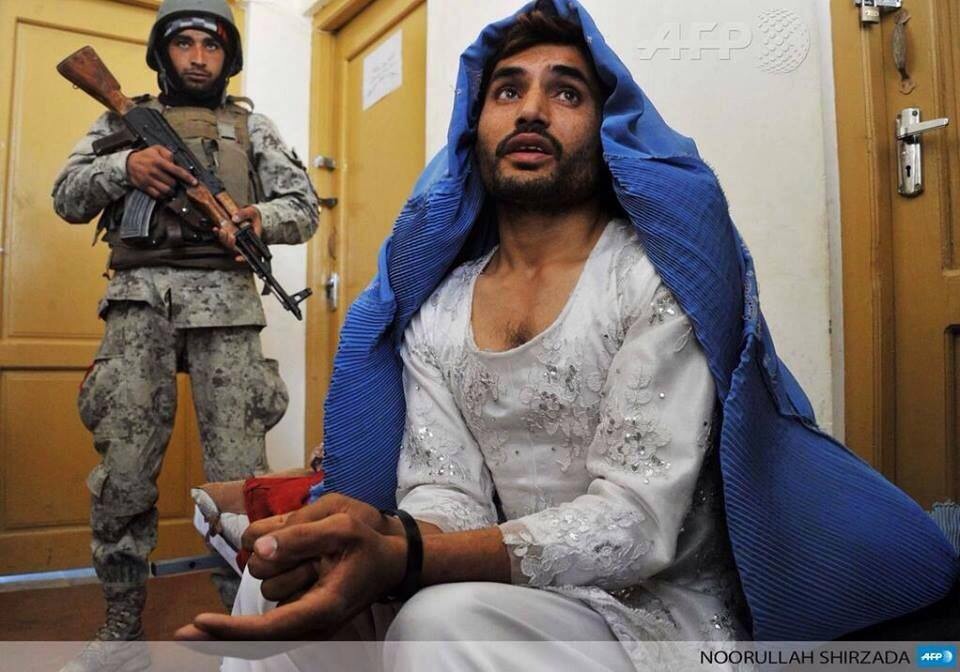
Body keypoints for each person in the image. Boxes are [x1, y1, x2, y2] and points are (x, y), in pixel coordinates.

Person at [177, 1, 959, 670]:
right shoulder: (440, 308)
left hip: (654, 608)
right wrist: (380, 538)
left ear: (605, 125)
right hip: (503, 584)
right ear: (476, 127)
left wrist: (407, 556)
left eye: (566, 92)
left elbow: (638, 524)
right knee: (277, 582)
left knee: (440, 623)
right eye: (507, 90)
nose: (531, 110)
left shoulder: (651, 279)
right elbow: (447, 494)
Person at [51, 0, 319, 661]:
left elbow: (304, 208)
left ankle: (245, 628)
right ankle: (121, 630)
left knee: (240, 484)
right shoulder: (119, 120)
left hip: (227, 307)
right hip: (137, 307)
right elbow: (65, 196)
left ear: (229, 58)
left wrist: (255, 218)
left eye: (212, 45)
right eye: (184, 43)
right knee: (123, 476)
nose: (199, 58)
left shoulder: (250, 128)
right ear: (161, 53)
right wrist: (124, 169)